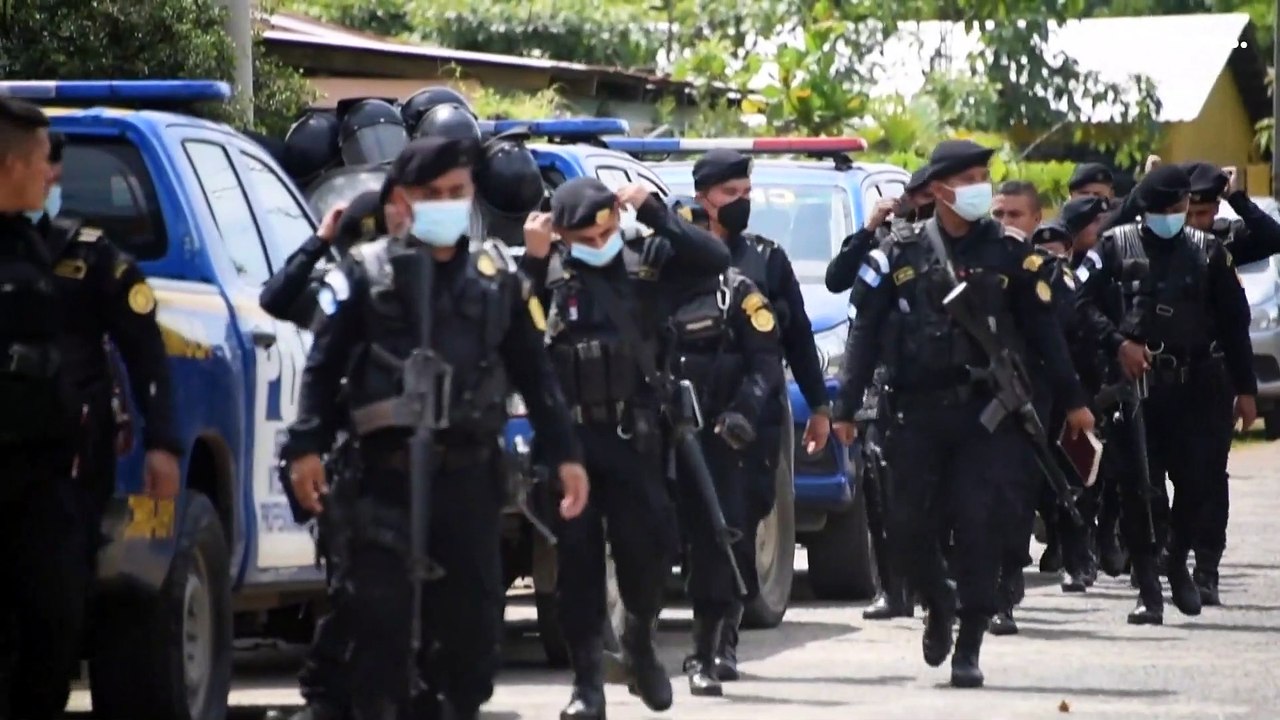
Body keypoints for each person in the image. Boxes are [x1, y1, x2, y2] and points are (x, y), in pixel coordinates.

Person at [281, 136, 589, 720]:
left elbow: (536, 374)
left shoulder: (498, 280)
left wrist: (566, 454)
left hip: (468, 483)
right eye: (431, 194)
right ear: (401, 200)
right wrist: (306, 447)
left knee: (471, 644)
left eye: (456, 192)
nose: (446, 203)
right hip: (381, 483)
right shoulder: (365, 274)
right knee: (381, 640)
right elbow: (321, 371)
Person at [832, 139, 1094, 687]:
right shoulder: (897, 253)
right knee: (905, 528)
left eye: (985, 175)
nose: (981, 186)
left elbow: (1047, 336)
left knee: (981, 526)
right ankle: (937, 600)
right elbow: (864, 335)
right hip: (912, 415)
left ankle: (969, 641)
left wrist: (1074, 403)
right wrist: (846, 407)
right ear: (938, 189)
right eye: (970, 177)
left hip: (985, 417)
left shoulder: (1011, 255)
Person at [521, 177, 731, 720]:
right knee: (578, 566)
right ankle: (587, 684)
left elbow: (712, 258)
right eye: (586, 239)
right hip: (572, 444)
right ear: (563, 234)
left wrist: (657, 212)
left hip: (635, 439)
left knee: (649, 552)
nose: (600, 244)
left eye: (607, 231)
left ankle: (637, 642)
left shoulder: (647, 262)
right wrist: (529, 260)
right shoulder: (546, 271)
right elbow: (511, 333)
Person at [1074, 164, 1256, 625]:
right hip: (1138, 390)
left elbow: (1235, 324)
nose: (1172, 216)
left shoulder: (1210, 252)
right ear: (1145, 210)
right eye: (1163, 209)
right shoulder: (1114, 247)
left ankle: (1178, 562)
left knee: (1199, 486)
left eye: (1178, 208)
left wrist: (1247, 390)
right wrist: (1118, 343)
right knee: (1139, 490)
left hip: (1199, 385)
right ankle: (1150, 589)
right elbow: (1077, 304)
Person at [690, 150, 831, 664]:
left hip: (754, 419)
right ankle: (712, 636)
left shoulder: (767, 259)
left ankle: (724, 633)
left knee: (742, 520)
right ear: (704, 198)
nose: (741, 204)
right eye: (731, 195)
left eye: (747, 195)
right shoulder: (678, 255)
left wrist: (820, 406)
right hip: (692, 417)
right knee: (697, 527)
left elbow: (796, 338)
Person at [0, 97, 88, 720]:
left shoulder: (37, 245)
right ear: (7, 165)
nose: (51, 173)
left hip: (44, 480)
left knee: (54, 629)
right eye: (40, 160)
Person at [668, 254, 783, 695]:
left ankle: (708, 650)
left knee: (719, 541)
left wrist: (743, 413)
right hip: (654, 434)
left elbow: (766, 363)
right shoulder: (649, 289)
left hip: (716, 437)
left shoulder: (736, 292)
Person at [825, 166, 933, 293]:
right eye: (912, 194)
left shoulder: (953, 242)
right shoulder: (889, 241)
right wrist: (869, 229)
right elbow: (836, 281)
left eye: (928, 196)